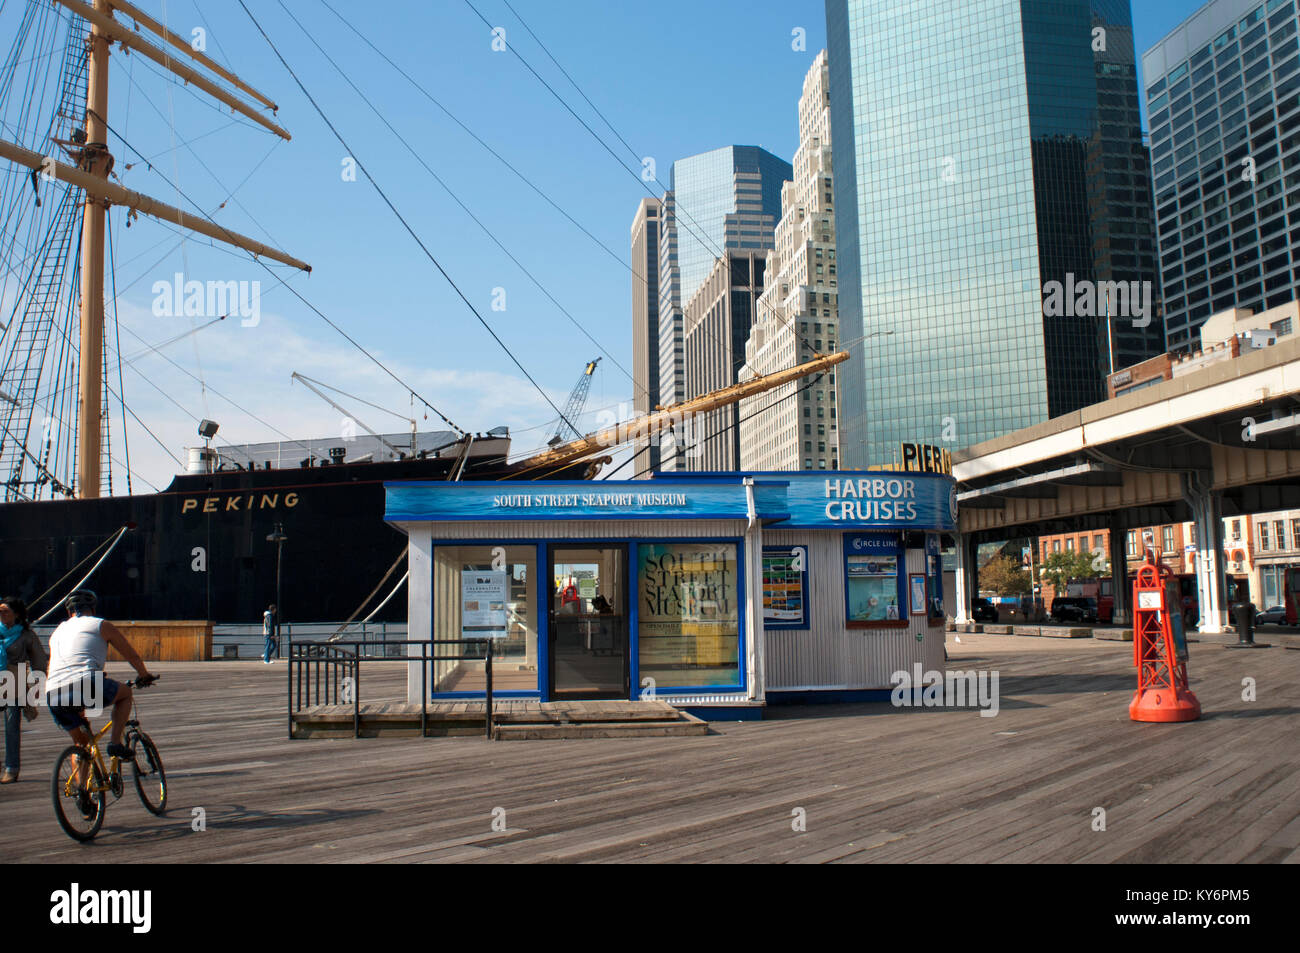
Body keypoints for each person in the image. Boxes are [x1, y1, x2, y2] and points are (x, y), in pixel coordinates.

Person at [45, 590, 155, 817]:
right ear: (93, 609)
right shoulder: (101, 624)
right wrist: (144, 674)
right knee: (125, 695)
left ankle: (83, 793)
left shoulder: (57, 631)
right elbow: (131, 655)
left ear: (68, 611)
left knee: (83, 744)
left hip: (53, 693)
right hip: (87, 683)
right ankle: (115, 743)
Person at [0, 596, 47, 783]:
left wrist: (37, 686)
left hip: (14, 681)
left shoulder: (26, 635)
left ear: (16, 614)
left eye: (5, 610)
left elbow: (39, 660)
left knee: (12, 726)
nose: (1, 614)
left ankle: (11, 768)